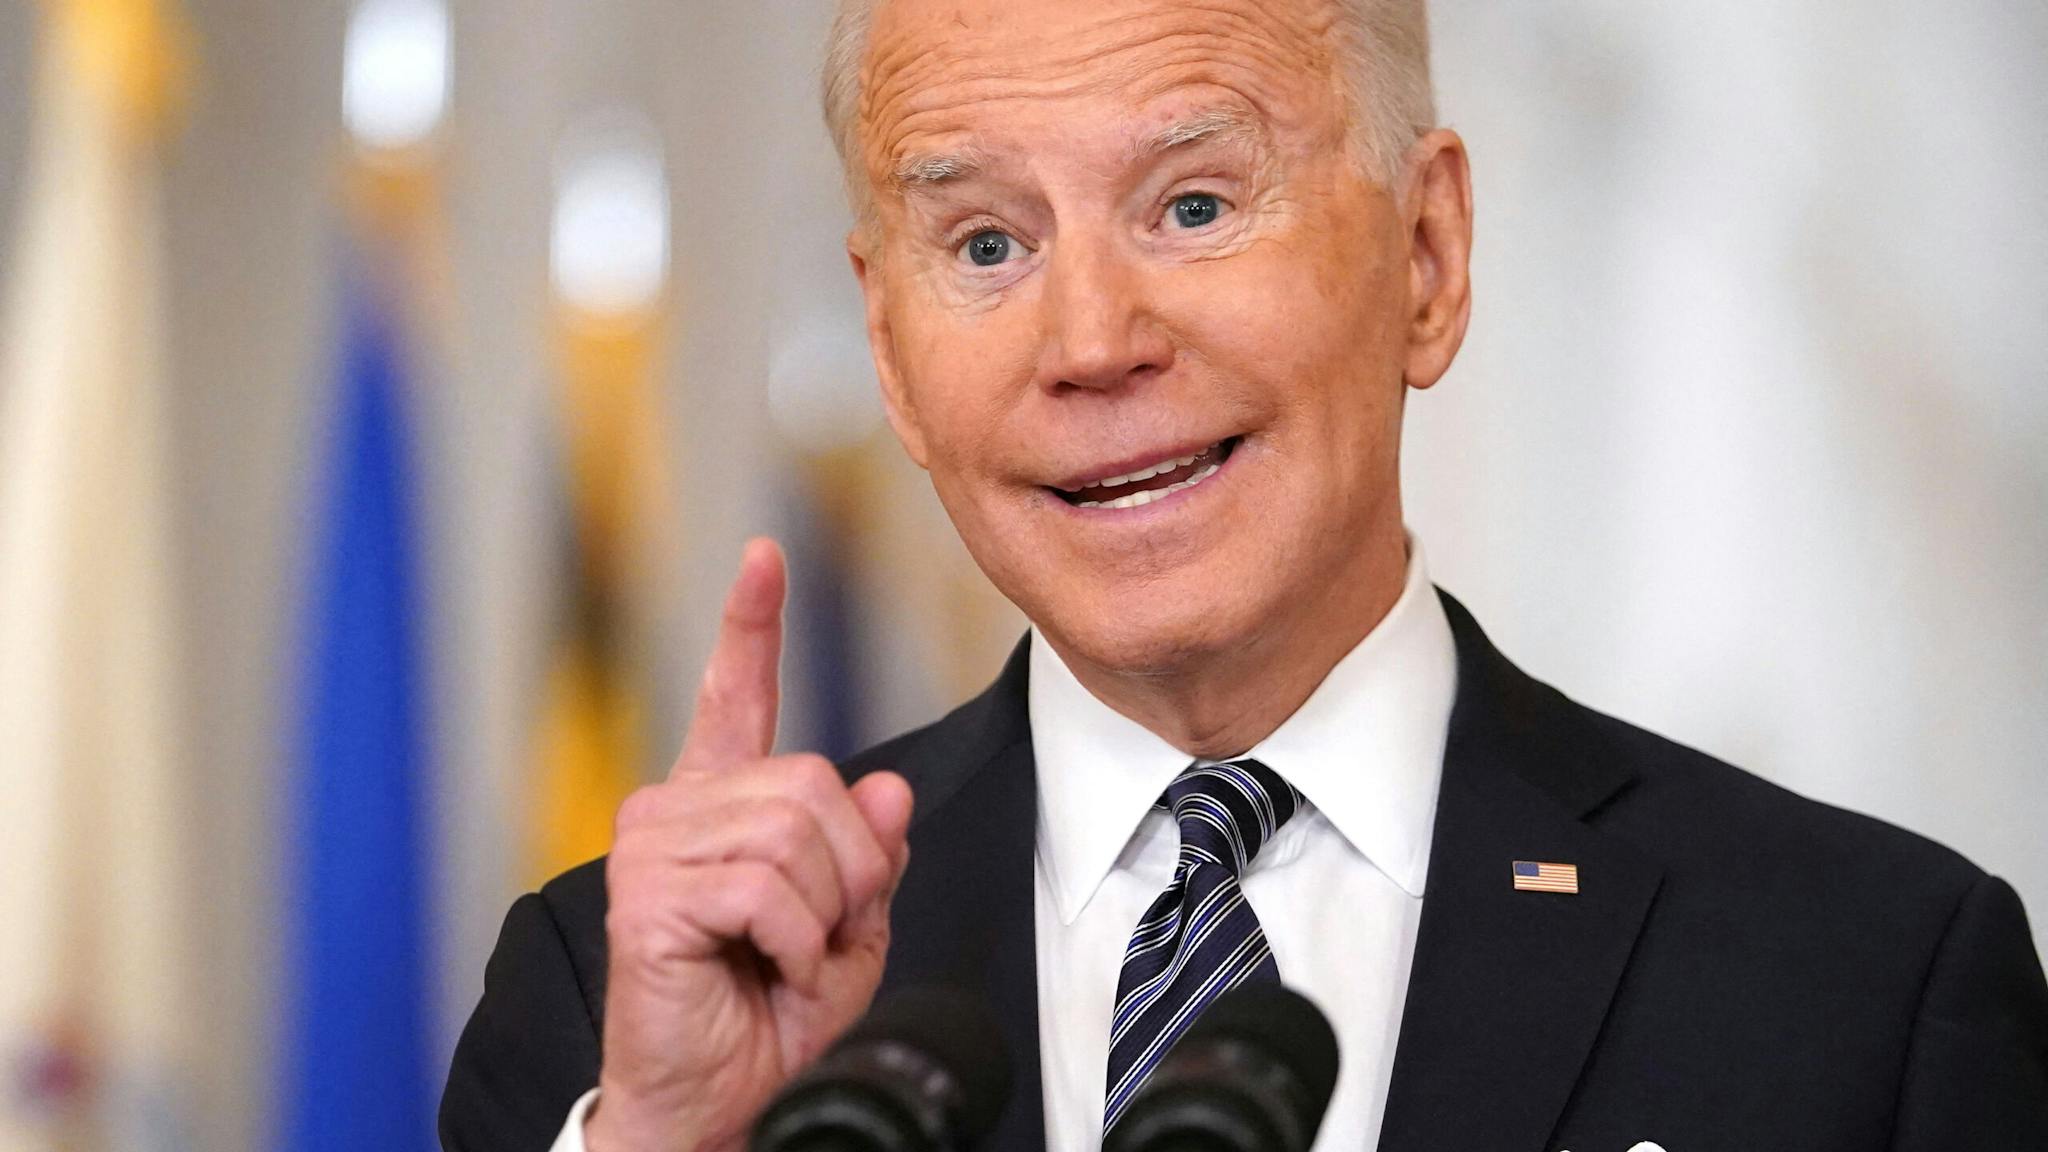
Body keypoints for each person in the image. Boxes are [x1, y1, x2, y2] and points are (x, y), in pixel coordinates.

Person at [438, 0, 2048, 1148]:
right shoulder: (625, 1010)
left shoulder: (1869, 986)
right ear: (888, 346)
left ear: (1427, 255)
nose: (1090, 343)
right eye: (986, 246)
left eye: (1194, 205)